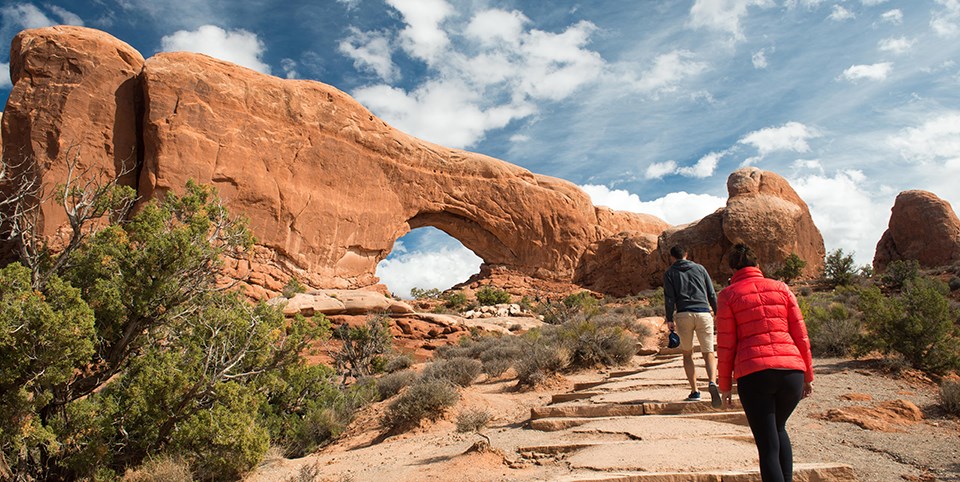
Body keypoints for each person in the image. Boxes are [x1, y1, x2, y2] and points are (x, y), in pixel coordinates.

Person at [716, 244, 814, 482]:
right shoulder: (781, 288)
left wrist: (725, 385)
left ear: (732, 268)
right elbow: (800, 334)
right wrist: (808, 375)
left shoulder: (728, 295)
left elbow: (726, 344)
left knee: (767, 444)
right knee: (779, 429)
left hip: (754, 374)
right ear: (757, 265)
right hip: (791, 372)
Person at [663, 244, 720, 407]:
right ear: (686, 254)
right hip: (703, 313)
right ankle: (712, 383)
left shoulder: (670, 273)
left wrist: (669, 319)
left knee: (687, 354)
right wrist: (717, 312)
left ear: (672, 257)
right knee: (708, 352)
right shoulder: (700, 269)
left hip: (683, 314)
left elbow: (669, 298)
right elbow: (711, 293)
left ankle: (695, 391)